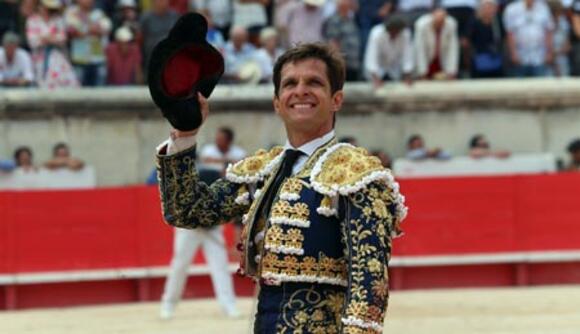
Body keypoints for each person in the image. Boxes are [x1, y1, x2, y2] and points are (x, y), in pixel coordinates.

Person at [155, 43, 407, 332]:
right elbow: (188, 211)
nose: (300, 91)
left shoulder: (356, 173)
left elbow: (369, 284)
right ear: (277, 103)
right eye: (290, 83)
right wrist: (185, 136)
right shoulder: (265, 170)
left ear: (336, 99)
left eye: (314, 82)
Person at [159, 129, 244, 319]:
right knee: (181, 264)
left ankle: (228, 305)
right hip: (190, 228)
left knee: (218, 265)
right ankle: (168, 304)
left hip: (211, 228)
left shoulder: (210, 175)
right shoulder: (198, 176)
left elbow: (220, 204)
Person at [25, 0, 79, 89]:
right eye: (47, 8)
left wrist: (44, 38)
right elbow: (32, 41)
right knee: (42, 86)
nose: (49, 10)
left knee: (67, 85)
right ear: (40, 7)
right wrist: (51, 38)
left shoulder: (58, 19)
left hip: (59, 58)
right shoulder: (32, 20)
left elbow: (62, 38)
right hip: (39, 60)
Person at [64, 0, 112, 86]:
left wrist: (83, 30)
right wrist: (91, 30)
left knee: (100, 95)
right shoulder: (71, 12)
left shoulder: (99, 13)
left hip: (98, 59)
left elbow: (105, 31)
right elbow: (73, 32)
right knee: (78, 94)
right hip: (79, 60)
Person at [503, 0, 554, 77]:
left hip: (539, 57)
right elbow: (510, 34)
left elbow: (548, 31)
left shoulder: (544, 8)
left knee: (540, 86)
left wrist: (549, 52)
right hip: (520, 56)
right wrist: (513, 53)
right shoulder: (511, 9)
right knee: (520, 87)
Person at [364, 14, 414, 87]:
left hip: (394, 71)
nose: (395, 34)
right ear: (388, 29)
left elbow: (407, 56)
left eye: (397, 32)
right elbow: (371, 57)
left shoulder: (405, 34)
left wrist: (407, 75)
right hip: (377, 70)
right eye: (393, 32)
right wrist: (375, 78)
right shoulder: (376, 33)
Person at [414, 6, 460, 80]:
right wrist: (422, 72)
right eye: (437, 22)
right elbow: (419, 50)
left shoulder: (451, 24)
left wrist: (451, 71)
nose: (439, 24)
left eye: (442, 22)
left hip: (441, 60)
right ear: (432, 18)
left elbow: (453, 49)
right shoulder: (421, 25)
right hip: (427, 59)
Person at [323, 0, 361, 81]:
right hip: (343, 64)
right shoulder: (334, 20)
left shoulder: (351, 19)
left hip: (353, 63)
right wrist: (339, 61)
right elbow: (333, 42)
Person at [139, 0, 178, 79]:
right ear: (154, 2)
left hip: (171, 56)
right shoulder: (146, 17)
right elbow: (140, 39)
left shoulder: (175, 16)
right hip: (152, 56)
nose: (163, 2)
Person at [465, 0, 504, 78]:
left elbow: (503, 39)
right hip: (478, 61)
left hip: (495, 61)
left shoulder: (497, 21)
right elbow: (466, 41)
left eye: (491, 7)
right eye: (486, 7)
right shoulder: (474, 21)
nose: (489, 9)